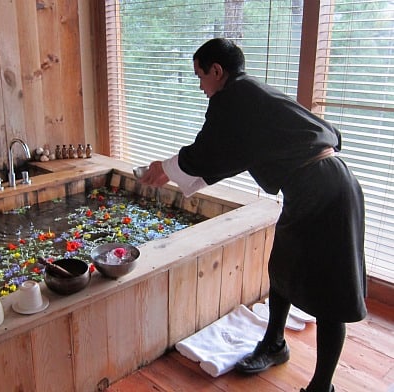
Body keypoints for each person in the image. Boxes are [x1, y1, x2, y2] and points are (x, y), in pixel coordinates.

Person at [139, 38, 367, 392]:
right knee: (282, 269)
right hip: (313, 186)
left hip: (327, 192)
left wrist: (167, 168)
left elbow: (208, 151)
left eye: (201, 76)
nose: (201, 87)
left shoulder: (233, 98)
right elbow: (228, 154)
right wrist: (174, 169)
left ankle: (322, 386)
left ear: (217, 71)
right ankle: (274, 343)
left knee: (331, 294)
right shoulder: (251, 95)